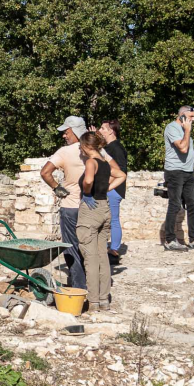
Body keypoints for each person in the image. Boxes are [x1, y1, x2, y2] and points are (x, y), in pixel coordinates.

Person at [77, 132, 126, 311]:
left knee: (90, 258)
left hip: (91, 210)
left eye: (81, 146)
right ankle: (104, 300)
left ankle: (94, 302)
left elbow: (89, 180)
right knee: (102, 256)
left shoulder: (91, 162)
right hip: (105, 208)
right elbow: (121, 175)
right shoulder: (105, 163)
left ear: (86, 146)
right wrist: (106, 189)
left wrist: (87, 193)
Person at [40, 116, 88, 290]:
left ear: (74, 131)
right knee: (91, 248)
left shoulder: (65, 152)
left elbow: (45, 172)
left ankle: (78, 287)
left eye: (66, 132)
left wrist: (56, 188)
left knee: (72, 248)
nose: (64, 136)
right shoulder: (97, 149)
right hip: (91, 206)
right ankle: (95, 288)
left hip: (71, 206)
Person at [163, 106, 194, 252]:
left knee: (193, 204)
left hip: (188, 172)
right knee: (175, 205)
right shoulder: (172, 128)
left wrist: (187, 130)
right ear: (182, 116)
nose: (193, 119)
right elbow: (182, 148)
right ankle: (170, 240)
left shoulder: (184, 130)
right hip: (175, 171)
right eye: (191, 117)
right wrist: (187, 130)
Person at [96, 120, 128, 262]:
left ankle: (114, 251)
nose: (100, 130)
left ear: (111, 131)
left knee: (113, 219)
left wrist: (107, 184)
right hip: (110, 188)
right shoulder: (108, 147)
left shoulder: (116, 148)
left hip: (114, 189)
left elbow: (121, 170)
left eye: (103, 128)